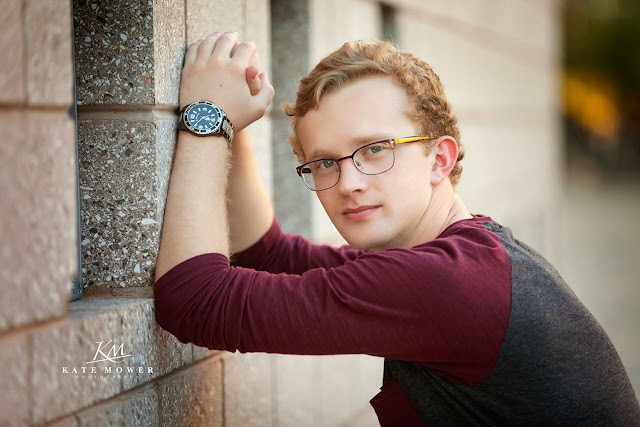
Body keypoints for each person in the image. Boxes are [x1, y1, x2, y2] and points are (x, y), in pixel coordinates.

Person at [154, 32, 640, 425]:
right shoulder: (464, 257)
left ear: (439, 159)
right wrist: (232, 126)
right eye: (325, 162)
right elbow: (269, 257)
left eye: (374, 150)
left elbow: (193, 299)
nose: (349, 183)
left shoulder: (448, 282)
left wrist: (205, 115)